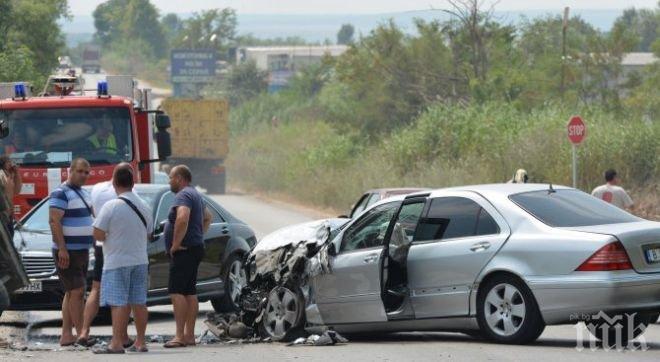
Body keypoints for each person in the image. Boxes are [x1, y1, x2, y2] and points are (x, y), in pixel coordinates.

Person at [92, 164, 153, 354]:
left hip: (117, 261)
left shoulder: (111, 206)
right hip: (140, 260)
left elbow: (98, 234)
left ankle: (116, 344)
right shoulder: (145, 206)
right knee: (139, 302)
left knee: (119, 303)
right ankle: (141, 342)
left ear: (114, 183)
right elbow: (149, 234)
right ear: (133, 182)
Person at [78, 177, 134, 348]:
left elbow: (95, 213)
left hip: (100, 244)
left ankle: (84, 331)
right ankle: (122, 335)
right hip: (118, 246)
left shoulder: (97, 189)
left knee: (96, 288)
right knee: (123, 291)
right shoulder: (130, 193)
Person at [163, 165, 212, 348]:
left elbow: (182, 218)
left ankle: (179, 336)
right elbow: (208, 217)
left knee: (177, 292)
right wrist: (198, 235)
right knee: (190, 292)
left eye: (171, 177)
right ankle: (189, 335)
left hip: (184, 251)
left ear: (180, 178)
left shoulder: (183, 195)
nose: (169, 181)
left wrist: (175, 245)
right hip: (195, 248)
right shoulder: (195, 195)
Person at [49, 158, 93, 347]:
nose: (83, 175)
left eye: (86, 172)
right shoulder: (60, 192)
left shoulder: (84, 193)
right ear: (70, 171)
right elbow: (54, 221)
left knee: (71, 292)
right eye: (80, 171)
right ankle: (83, 334)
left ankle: (67, 335)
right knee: (77, 291)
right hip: (68, 252)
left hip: (82, 251)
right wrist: (62, 249)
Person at [0, 156, 21, 238]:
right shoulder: (2, 175)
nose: (11, 164)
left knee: (10, 236)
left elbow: (17, 191)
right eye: (9, 162)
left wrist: (17, 174)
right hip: (3, 214)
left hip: (8, 214)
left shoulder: (8, 176)